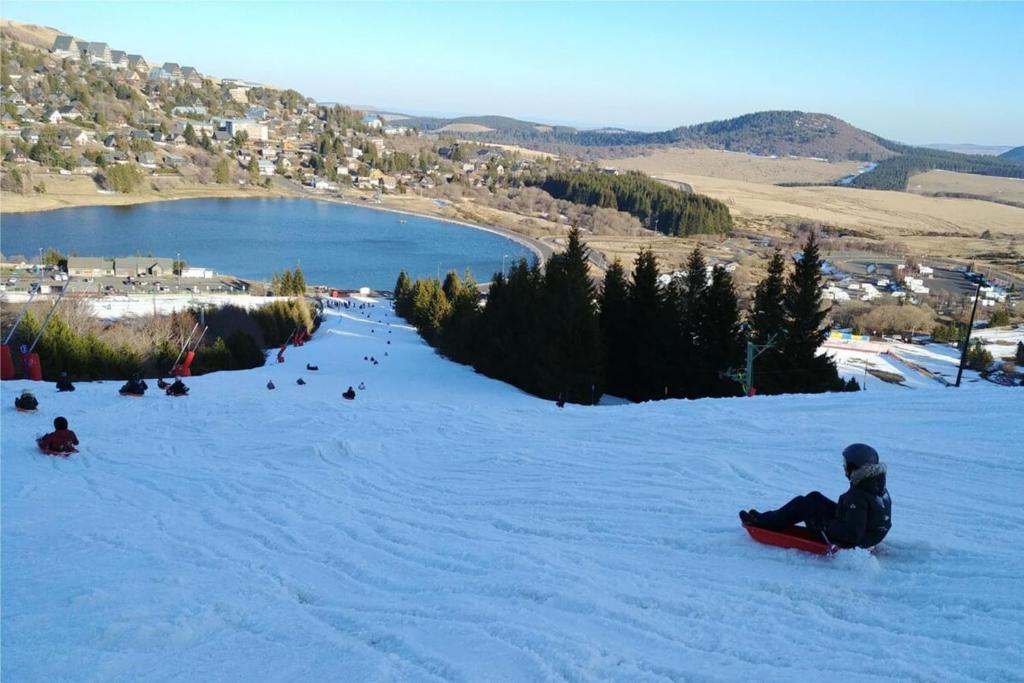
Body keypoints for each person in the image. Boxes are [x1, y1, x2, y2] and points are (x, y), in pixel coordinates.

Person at [740, 443, 891, 549]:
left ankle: (762, 522)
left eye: (846, 464)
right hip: (864, 536)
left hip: (848, 542)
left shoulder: (857, 497)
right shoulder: (874, 486)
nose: (844, 467)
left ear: (854, 466)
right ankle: (767, 518)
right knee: (815, 497)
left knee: (803, 505)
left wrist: (824, 525)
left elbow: (852, 534)